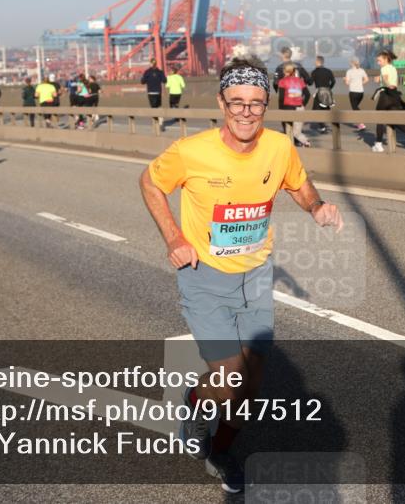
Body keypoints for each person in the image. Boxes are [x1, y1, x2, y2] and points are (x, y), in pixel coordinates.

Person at [139, 57, 343, 494]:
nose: (246, 112)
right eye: (237, 102)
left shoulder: (280, 146)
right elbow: (150, 183)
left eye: (255, 103)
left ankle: (221, 450)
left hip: (256, 276)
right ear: (221, 102)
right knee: (229, 381)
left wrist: (317, 206)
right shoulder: (191, 151)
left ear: (266, 104)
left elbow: (298, 184)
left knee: (249, 388)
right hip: (205, 277)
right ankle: (196, 413)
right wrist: (174, 237)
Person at [371, 51, 405, 152]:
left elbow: (385, 79)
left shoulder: (384, 68)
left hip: (386, 94)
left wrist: (386, 83)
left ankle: (378, 144)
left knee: (379, 118)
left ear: (386, 59)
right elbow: (388, 79)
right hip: (395, 95)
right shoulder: (393, 68)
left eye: (379, 60)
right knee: (393, 119)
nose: (378, 63)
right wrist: (381, 79)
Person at [275, 63, 311, 147]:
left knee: (289, 132)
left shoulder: (282, 81)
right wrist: (302, 104)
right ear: (294, 71)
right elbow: (308, 95)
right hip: (299, 108)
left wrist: (280, 109)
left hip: (287, 108)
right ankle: (305, 142)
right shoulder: (300, 81)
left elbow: (281, 98)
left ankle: (291, 149)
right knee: (297, 132)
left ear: (284, 72)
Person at [310, 55, 335, 133]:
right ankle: (331, 125)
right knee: (326, 109)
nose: (314, 62)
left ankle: (322, 126)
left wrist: (305, 79)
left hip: (319, 92)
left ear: (318, 62)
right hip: (328, 92)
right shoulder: (328, 71)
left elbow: (310, 83)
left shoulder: (315, 71)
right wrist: (329, 88)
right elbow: (333, 81)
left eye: (315, 61)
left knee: (315, 110)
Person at [344, 58, 368, 131]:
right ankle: (358, 122)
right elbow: (367, 80)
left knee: (355, 108)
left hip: (353, 92)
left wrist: (345, 80)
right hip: (361, 92)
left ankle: (361, 123)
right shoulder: (362, 70)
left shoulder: (349, 71)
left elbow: (347, 83)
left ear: (352, 63)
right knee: (356, 107)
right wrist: (360, 84)